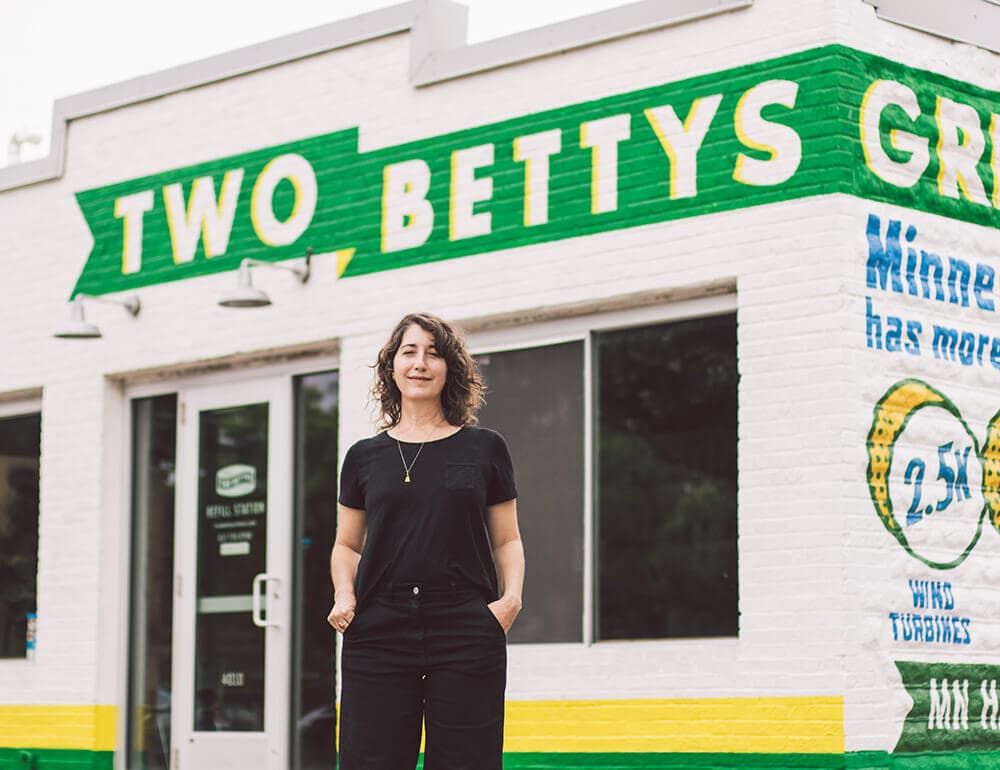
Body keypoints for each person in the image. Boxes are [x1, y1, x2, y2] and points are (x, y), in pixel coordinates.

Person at [328, 312, 524, 770]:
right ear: (391, 366)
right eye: (409, 351)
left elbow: (508, 539)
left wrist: (509, 601)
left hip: (465, 624)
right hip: (378, 626)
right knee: (370, 760)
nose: (420, 363)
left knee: (466, 761)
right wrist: (344, 593)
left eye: (434, 354)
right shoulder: (363, 457)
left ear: (450, 369)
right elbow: (346, 546)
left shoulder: (485, 448)